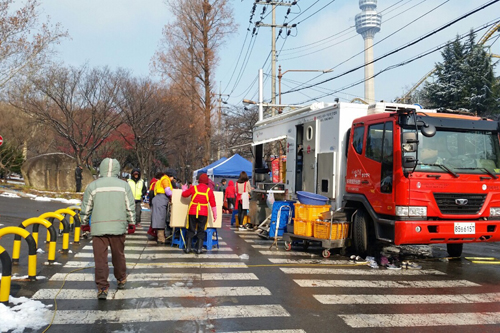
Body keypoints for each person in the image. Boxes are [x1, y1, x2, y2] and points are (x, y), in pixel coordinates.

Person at [80, 158, 135, 300]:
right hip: (118, 226)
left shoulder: (93, 186)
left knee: (100, 259)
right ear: (117, 169)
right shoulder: (124, 186)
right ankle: (121, 279)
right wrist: (131, 222)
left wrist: (84, 222)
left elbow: (86, 207)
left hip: (99, 227)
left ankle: (102, 287)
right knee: (118, 255)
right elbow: (130, 206)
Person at [181, 173, 216, 254]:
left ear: (199, 181)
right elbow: (213, 204)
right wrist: (215, 215)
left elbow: (184, 194)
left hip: (192, 211)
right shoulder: (209, 191)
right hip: (203, 213)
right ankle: (199, 249)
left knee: (191, 229)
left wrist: (184, 189)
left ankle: (188, 248)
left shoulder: (194, 188)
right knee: (201, 230)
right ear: (207, 182)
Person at [152, 168, 175, 245]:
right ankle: (160, 238)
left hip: (159, 199)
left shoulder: (162, 179)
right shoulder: (165, 179)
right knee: (160, 218)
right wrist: (174, 196)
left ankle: (160, 237)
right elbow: (168, 191)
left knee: (160, 218)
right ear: (170, 175)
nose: (173, 179)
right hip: (161, 199)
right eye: (173, 177)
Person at [146, 172, 164, 240]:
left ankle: (152, 230)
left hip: (153, 201)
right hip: (156, 201)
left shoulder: (153, 182)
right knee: (156, 217)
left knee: (155, 217)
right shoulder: (156, 183)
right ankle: (151, 230)